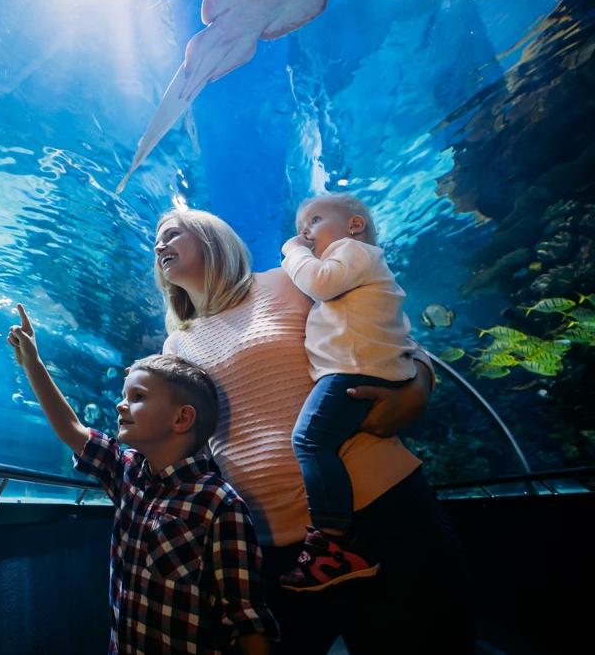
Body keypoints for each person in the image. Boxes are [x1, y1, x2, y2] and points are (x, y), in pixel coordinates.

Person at [152, 207, 472, 654]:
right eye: (157, 240)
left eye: (171, 233)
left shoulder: (286, 281)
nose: (159, 245)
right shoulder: (175, 344)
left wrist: (418, 387)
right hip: (272, 541)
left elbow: (388, 332)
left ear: (212, 237)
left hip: (377, 508)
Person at [7, 304, 278, 654]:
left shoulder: (219, 504)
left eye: (137, 397)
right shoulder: (127, 472)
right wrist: (33, 363)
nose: (121, 405)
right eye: (123, 396)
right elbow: (72, 429)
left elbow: (247, 621)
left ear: (182, 418)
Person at [276, 194, 416, 591]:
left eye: (315, 221)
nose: (305, 233)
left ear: (354, 225)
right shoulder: (357, 263)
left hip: (354, 367)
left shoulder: (353, 250)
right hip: (360, 365)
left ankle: (333, 545)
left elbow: (321, 283)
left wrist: (291, 250)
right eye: (302, 227)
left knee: (309, 439)